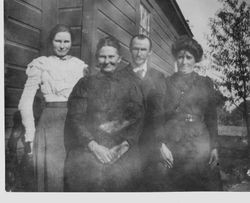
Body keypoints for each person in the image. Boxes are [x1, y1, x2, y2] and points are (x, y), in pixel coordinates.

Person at [64, 36, 145, 192]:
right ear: (97, 59)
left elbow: (137, 117)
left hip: (122, 149)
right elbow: (76, 118)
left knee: (125, 179)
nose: (107, 61)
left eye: (111, 57)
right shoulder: (85, 84)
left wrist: (122, 147)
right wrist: (94, 146)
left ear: (119, 58)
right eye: (102, 56)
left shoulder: (131, 84)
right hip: (91, 146)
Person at [18, 24, 88, 192]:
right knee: (52, 175)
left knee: (73, 174)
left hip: (73, 123)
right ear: (51, 42)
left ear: (72, 43)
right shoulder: (41, 64)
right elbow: (25, 102)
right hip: (49, 125)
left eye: (66, 41)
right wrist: (30, 134)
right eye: (58, 41)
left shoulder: (80, 66)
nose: (62, 46)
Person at [157, 36, 222, 191]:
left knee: (200, 184)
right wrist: (161, 144)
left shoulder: (205, 83)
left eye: (188, 57)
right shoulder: (165, 83)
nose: (184, 62)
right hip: (173, 138)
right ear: (175, 59)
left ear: (195, 60)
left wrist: (214, 147)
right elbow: (158, 117)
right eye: (180, 57)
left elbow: (212, 117)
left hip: (199, 140)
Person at [126, 34, 166, 191]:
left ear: (149, 53)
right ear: (130, 50)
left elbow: (160, 111)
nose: (139, 53)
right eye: (136, 48)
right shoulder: (121, 75)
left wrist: (161, 142)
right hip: (127, 142)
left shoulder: (158, 77)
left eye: (143, 49)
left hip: (150, 141)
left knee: (150, 185)